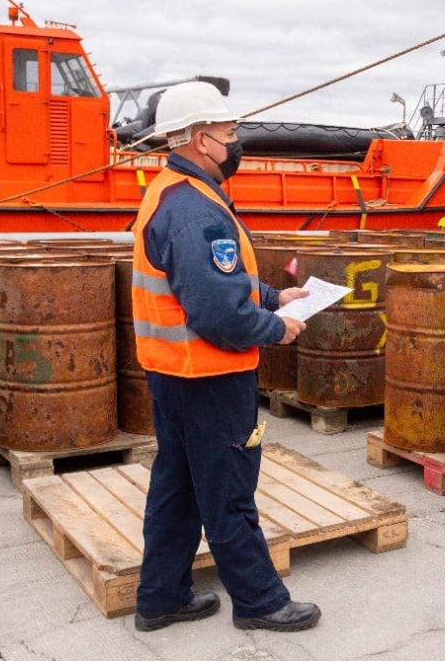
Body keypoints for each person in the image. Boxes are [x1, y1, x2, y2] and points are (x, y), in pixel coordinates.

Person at [130, 81, 321, 633]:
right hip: (208, 377)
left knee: (179, 485)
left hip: (173, 374)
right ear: (198, 139)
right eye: (229, 133)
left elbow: (211, 285)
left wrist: (271, 295)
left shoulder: (171, 191)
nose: (236, 144)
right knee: (229, 490)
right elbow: (218, 313)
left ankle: (161, 597)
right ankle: (261, 602)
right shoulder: (197, 212)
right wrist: (276, 326)